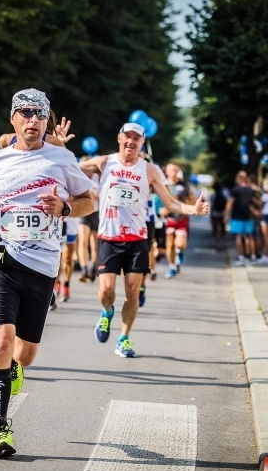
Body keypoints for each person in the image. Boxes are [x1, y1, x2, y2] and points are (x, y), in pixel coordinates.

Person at [0, 88, 95, 458]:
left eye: (39, 114)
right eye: (25, 113)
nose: (32, 120)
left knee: (27, 353)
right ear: (13, 119)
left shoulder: (61, 158)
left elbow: (88, 201)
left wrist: (65, 207)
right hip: (2, 260)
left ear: (46, 120)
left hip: (43, 266)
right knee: (1, 341)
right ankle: (0, 428)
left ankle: (16, 368)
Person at [80, 123, 210, 358]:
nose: (131, 142)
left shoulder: (149, 170)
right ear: (119, 138)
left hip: (137, 239)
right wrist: (58, 145)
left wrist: (194, 210)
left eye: (136, 139)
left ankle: (124, 338)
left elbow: (170, 203)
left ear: (142, 143)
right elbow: (71, 170)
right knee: (106, 291)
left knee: (132, 292)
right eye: (127, 137)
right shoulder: (104, 162)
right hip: (109, 237)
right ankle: (106, 312)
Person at [160, 162, 194, 279]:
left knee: (180, 244)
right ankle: (172, 267)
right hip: (168, 219)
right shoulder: (163, 184)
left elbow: (191, 198)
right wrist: (161, 210)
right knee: (169, 245)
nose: (173, 173)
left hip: (181, 218)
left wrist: (190, 208)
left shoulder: (184, 185)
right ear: (166, 172)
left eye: (175, 170)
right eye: (171, 170)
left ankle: (179, 253)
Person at [224, 170, 257, 265]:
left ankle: (241, 256)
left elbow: (230, 203)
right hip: (248, 216)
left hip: (237, 216)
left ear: (238, 178)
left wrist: (226, 214)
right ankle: (252, 256)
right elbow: (251, 204)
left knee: (238, 236)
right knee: (249, 236)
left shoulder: (235, 189)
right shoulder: (250, 189)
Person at [209, 180, 228, 250]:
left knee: (216, 230)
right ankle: (224, 244)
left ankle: (218, 243)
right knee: (223, 229)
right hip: (222, 214)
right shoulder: (224, 195)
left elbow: (211, 206)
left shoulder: (213, 196)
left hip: (215, 214)